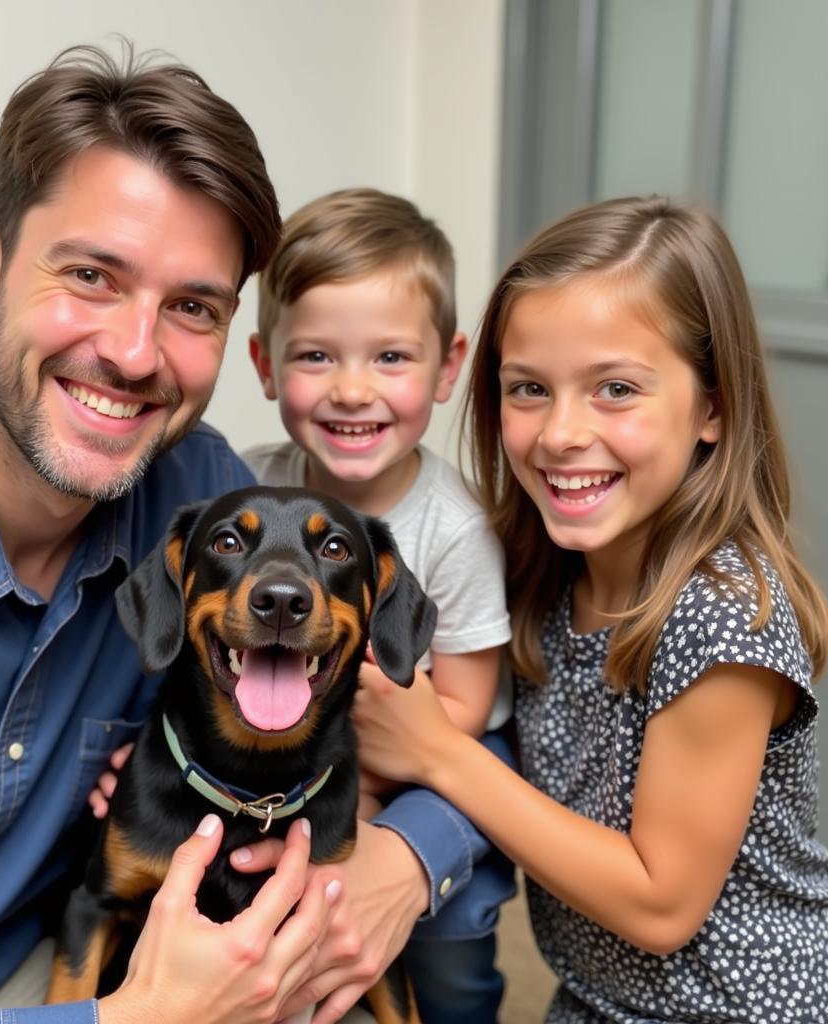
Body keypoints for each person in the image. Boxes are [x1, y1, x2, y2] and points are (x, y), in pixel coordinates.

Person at [0, 42, 487, 1024]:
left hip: (47, 962)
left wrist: (403, 859)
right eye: (91, 275)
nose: (132, 353)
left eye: (191, 306)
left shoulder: (205, 500)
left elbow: (468, 735)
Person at [352, 195, 828, 1023]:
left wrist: (436, 752)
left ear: (712, 406)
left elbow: (659, 905)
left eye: (615, 388)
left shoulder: (722, 616)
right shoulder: (542, 569)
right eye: (529, 389)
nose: (562, 433)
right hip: (597, 998)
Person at [241, 188, 514, 1024]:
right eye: (316, 357)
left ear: (448, 366)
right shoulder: (249, 487)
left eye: (391, 359)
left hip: (411, 782)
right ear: (262, 364)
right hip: (282, 778)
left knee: (452, 971)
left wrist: (361, 785)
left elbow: (466, 707)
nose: (352, 390)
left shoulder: (454, 529)